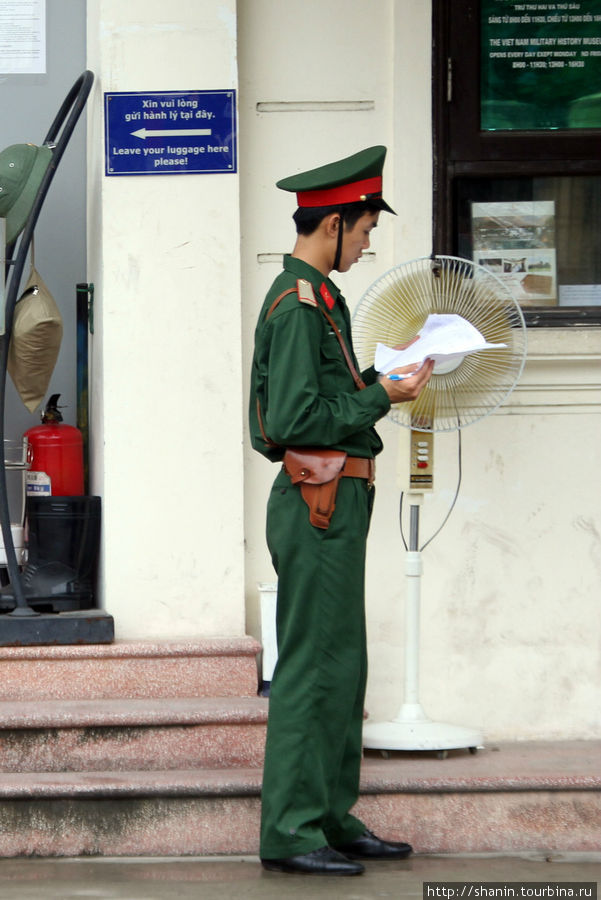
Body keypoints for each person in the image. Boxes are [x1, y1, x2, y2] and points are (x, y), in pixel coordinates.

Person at [249, 146, 434, 877]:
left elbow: (324, 400)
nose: (366, 242)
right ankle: (291, 833)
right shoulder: (297, 306)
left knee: (342, 663)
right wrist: (377, 397)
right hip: (316, 500)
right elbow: (293, 418)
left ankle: (329, 816)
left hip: (336, 497)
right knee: (310, 665)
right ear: (331, 224)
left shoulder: (319, 298)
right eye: (362, 230)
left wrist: (381, 377)